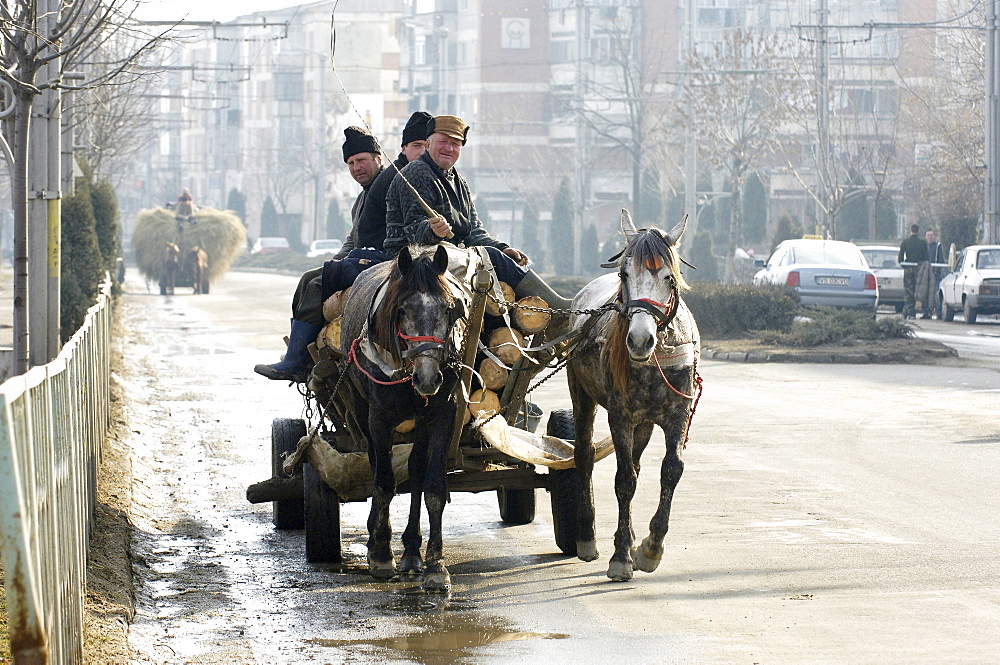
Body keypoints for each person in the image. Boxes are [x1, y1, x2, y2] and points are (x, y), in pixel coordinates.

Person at [254, 114, 431, 382]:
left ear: (379, 159)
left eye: (362, 160)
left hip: (386, 262)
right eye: (350, 163)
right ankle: (300, 354)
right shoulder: (361, 198)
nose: (357, 167)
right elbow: (353, 238)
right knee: (309, 279)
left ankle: (298, 360)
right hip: (364, 258)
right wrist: (336, 263)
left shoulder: (393, 183)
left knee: (315, 286)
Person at [384, 114, 571, 324]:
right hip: (413, 257)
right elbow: (413, 230)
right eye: (443, 142)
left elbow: (474, 231)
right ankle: (556, 308)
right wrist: (430, 229)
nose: (449, 148)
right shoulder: (416, 173)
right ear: (428, 143)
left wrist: (502, 248)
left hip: (449, 254)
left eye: (455, 144)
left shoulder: (459, 182)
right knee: (489, 257)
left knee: (497, 256)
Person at [898, 223, 929, 320]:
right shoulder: (923, 243)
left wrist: (905, 266)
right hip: (919, 269)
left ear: (910, 231)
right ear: (918, 231)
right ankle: (919, 311)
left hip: (908, 268)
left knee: (908, 291)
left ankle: (910, 312)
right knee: (920, 291)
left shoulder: (905, 242)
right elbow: (926, 258)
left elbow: (900, 258)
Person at [924, 229, 945, 319]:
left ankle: (939, 312)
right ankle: (927, 312)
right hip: (927, 274)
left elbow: (941, 260)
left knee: (937, 294)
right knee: (926, 294)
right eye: (928, 235)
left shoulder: (938, 246)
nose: (930, 237)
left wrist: (938, 270)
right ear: (926, 237)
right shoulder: (925, 247)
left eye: (931, 235)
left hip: (936, 274)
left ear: (934, 236)